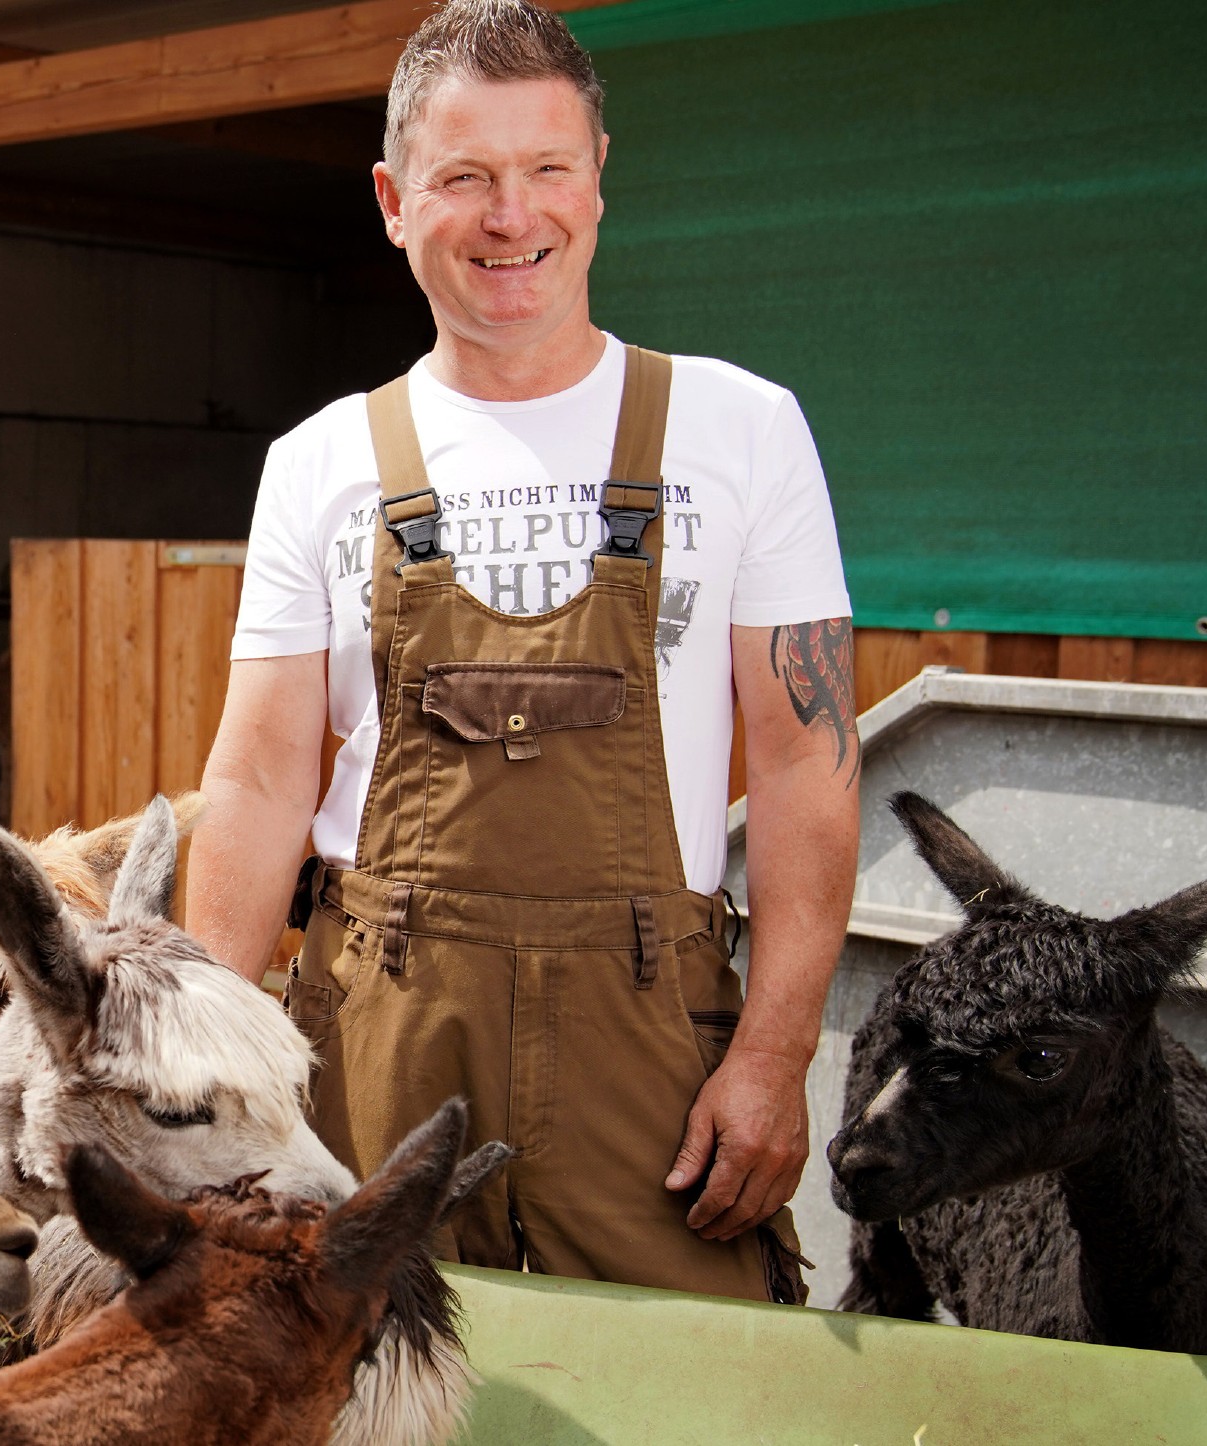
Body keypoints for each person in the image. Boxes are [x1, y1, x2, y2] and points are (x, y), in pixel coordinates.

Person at [186, 0, 856, 1302]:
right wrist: (203, 1075)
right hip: (377, 1031)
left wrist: (774, 1056)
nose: (512, 216)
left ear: (596, 175)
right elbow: (260, 781)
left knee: (684, 1390)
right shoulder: (320, 462)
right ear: (392, 199)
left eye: (547, 168)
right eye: (466, 178)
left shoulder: (741, 428)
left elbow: (799, 767)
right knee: (355, 1375)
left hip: (649, 1045)